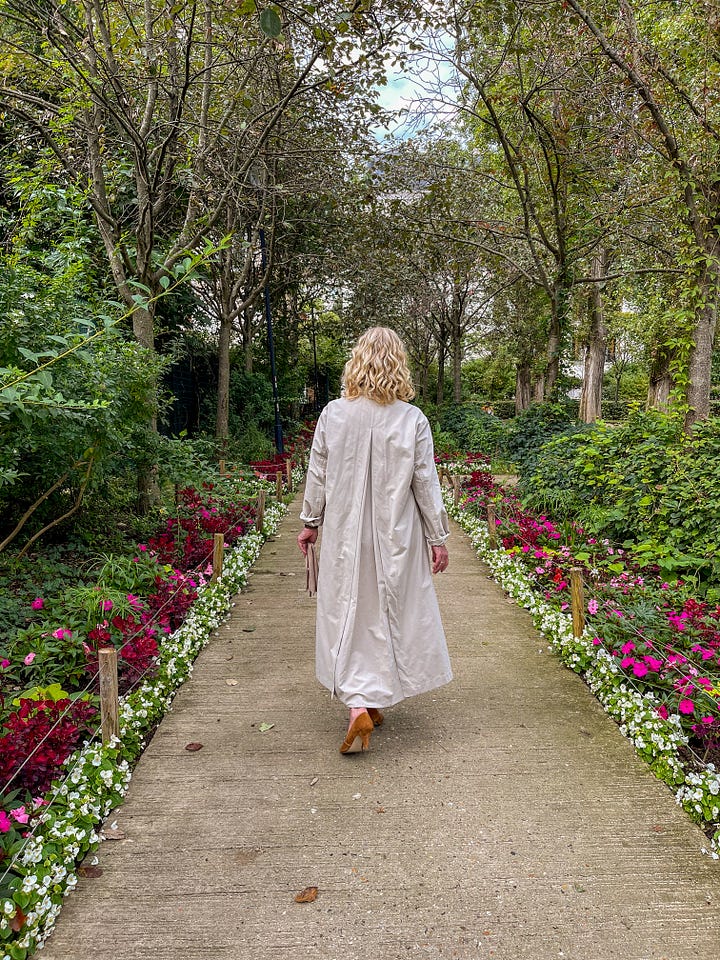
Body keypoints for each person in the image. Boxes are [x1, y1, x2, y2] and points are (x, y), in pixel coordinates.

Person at [297, 327, 452, 755]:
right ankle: (370, 697)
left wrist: (311, 521)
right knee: (386, 612)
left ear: (357, 361)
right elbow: (426, 482)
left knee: (347, 610)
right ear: (397, 363)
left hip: (346, 535)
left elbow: (318, 474)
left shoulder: (333, 413)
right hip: (394, 536)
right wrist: (437, 537)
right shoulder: (411, 418)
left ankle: (360, 702)